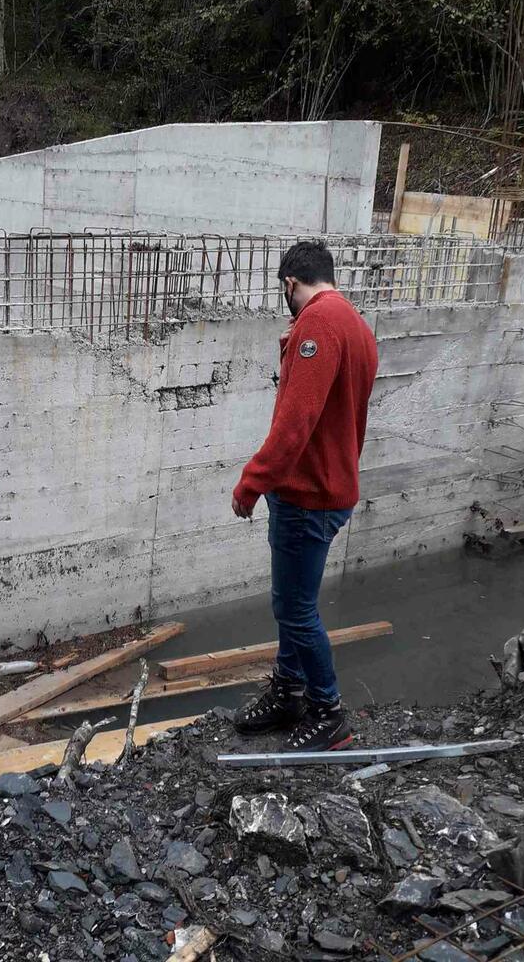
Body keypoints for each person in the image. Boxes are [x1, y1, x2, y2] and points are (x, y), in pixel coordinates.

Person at [230, 240, 378, 752]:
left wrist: (253, 481)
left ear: (291, 283)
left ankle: (327, 709)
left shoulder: (317, 325)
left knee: (294, 609)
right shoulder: (356, 325)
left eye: (283, 292)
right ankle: (289, 691)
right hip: (331, 489)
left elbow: (296, 424)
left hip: (307, 494)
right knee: (294, 602)